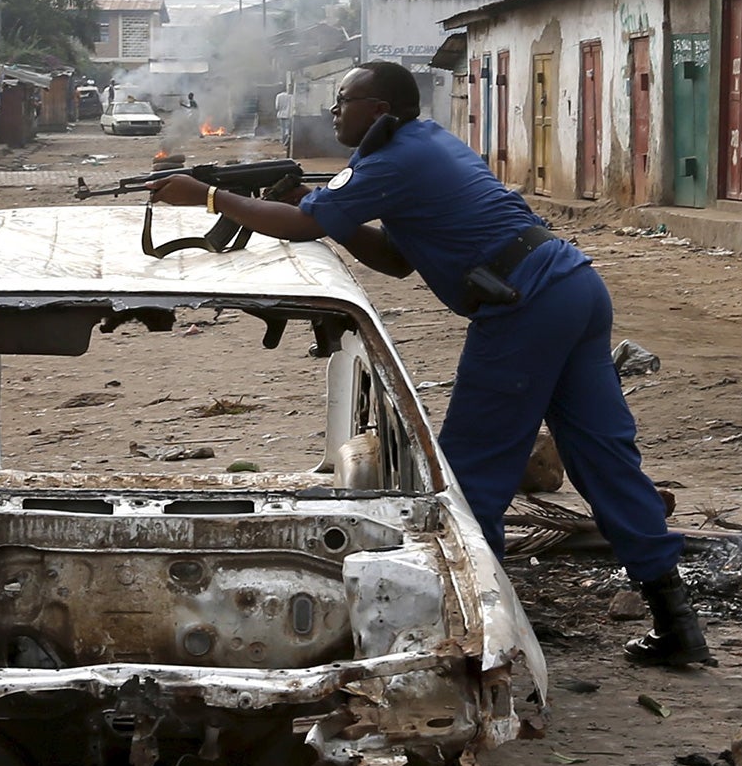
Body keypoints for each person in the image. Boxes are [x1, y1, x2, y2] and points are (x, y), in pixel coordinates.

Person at [146, 59, 712, 666]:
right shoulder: (423, 144)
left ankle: (486, 637)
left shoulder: (389, 159)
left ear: (381, 110)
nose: (335, 110)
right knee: (606, 460)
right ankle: (677, 626)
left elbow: (304, 222)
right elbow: (395, 257)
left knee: (472, 474)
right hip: (570, 287)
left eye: (345, 99)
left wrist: (206, 196)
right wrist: (323, 213)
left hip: (524, 306)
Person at [276, 87, 295, 156]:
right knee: (287, 128)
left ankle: (283, 141)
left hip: (281, 114)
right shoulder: (290, 96)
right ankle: (286, 141)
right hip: (288, 115)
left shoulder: (278, 96)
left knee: (282, 128)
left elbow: (277, 106)